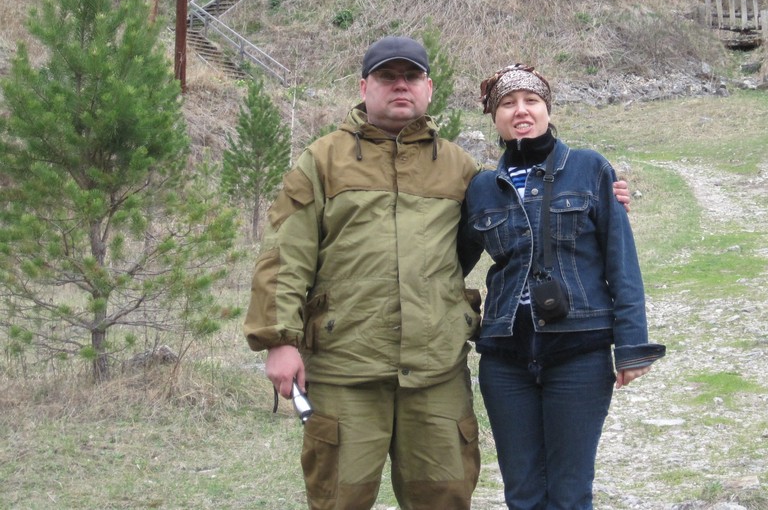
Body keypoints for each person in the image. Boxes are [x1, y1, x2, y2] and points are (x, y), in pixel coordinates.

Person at [244, 36, 482, 510]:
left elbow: (512, 225)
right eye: (387, 77)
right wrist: (279, 340)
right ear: (363, 86)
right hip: (344, 369)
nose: (400, 86)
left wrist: (601, 195)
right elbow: (283, 253)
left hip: (435, 371)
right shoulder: (322, 160)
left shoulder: (459, 167)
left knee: (445, 498)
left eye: (411, 77)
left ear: (429, 88)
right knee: (338, 500)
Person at [461, 63, 665, 510]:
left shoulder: (590, 169)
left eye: (531, 101)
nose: (521, 111)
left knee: (570, 493)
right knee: (522, 492)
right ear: (493, 117)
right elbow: (447, 265)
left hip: (579, 353)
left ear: (548, 110)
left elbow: (622, 263)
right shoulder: (480, 187)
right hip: (505, 358)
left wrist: (631, 346)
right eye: (508, 104)